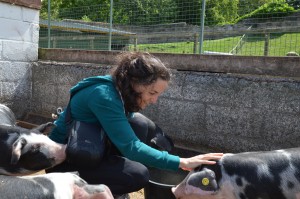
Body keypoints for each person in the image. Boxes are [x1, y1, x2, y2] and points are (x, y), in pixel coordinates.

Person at [46, 51, 223, 198]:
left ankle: (111, 182)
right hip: (64, 162)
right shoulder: (104, 96)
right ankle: (90, 193)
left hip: (90, 148)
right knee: (137, 175)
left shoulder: (119, 91)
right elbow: (132, 147)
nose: (154, 100)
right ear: (134, 83)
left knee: (142, 125)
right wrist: (182, 161)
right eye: (152, 92)